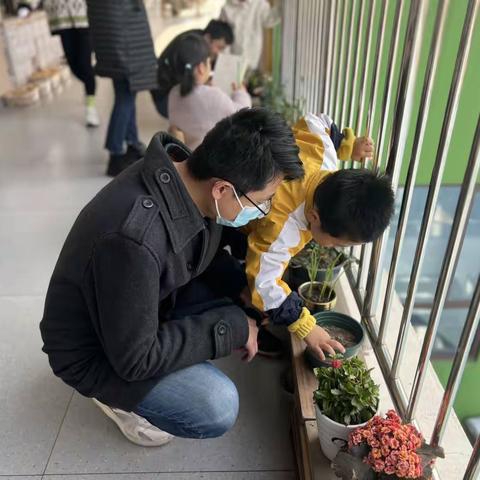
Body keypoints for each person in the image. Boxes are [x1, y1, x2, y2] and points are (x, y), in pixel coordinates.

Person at [40, 107, 304, 446]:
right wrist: (233, 327)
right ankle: (116, 402)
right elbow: (137, 359)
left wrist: (242, 290)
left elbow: (197, 254)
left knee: (240, 305)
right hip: (95, 350)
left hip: (138, 306)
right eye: (262, 202)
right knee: (216, 405)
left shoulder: (186, 178)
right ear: (222, 190)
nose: (262, 211)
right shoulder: (135, 239)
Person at [241, 113, 394, 360]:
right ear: (314, 217)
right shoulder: (283, 224)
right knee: (253, 287)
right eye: (335, 242)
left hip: (253, 165)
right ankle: (242, 316)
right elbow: (263, 280)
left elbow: (316, 121)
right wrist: (307, 327)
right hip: (234, 218)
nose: (335, 247)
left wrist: (346, 145)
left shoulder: (324, 156)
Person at [86, 0, 157, 177]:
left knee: (126, 93)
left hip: (115, 37)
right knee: (125, 97)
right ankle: (115, 153)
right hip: (126, 39)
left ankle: (132, 143)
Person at [168, 34, 251, 151]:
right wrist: (241, 93)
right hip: (209, 161)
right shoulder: (212, 96)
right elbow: (243, 113)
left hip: (187, 154)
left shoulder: (173, 93)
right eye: (209, 62)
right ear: (201, 68)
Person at [152, 19, 234, 119]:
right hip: (165, 100)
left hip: (169, 93)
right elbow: (190, 83)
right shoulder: (193, 49)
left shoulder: (197, 41)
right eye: (219, 47)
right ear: (208, 38)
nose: (219, 53)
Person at [43, 0, 99, 127]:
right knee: (73, 66)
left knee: (85, 65)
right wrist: (25, 4)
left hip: (84, 18)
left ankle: (91, 107)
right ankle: (90, 82)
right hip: (61, 19)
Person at [220, 0, 281, 70]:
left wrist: (282, 6)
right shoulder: (226, 5)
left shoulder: (260, 4)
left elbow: (269, 20)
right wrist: (225, 59)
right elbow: (222, 35)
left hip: (251, 58)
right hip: (230, 57)